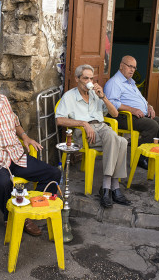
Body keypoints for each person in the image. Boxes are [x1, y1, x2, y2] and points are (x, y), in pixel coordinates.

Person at [0, 72, 61, 236]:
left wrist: (25, 136)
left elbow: (15, 122)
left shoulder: (3, 100)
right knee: (2, 183)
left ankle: (28, 210)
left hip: (16, 154)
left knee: (53, 174)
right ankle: (13, 216)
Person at [55, 64, 131, 209]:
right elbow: (59, 120)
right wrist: (83, 123)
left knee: (121, 141)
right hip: (84, 134)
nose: (89, 81)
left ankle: (109, 187)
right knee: (114, 138)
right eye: (85, 78)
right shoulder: (70, 96)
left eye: (91, 78)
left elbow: (114, 114)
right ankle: (111, 187)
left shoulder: (96, 95)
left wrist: (103, 97)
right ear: (77, 79)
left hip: (101, 128)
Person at [104, 55, 159, 170]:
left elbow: (141, 99)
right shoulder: (114, 82)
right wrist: (132, 109)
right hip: (123, 117)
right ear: (121, 66)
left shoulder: (130, 82)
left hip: (139, 115)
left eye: (134, 67)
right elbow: (112, 103)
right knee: (152, 125)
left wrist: (149, 106)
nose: (132, 70)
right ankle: (141, 157)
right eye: (129, 66)